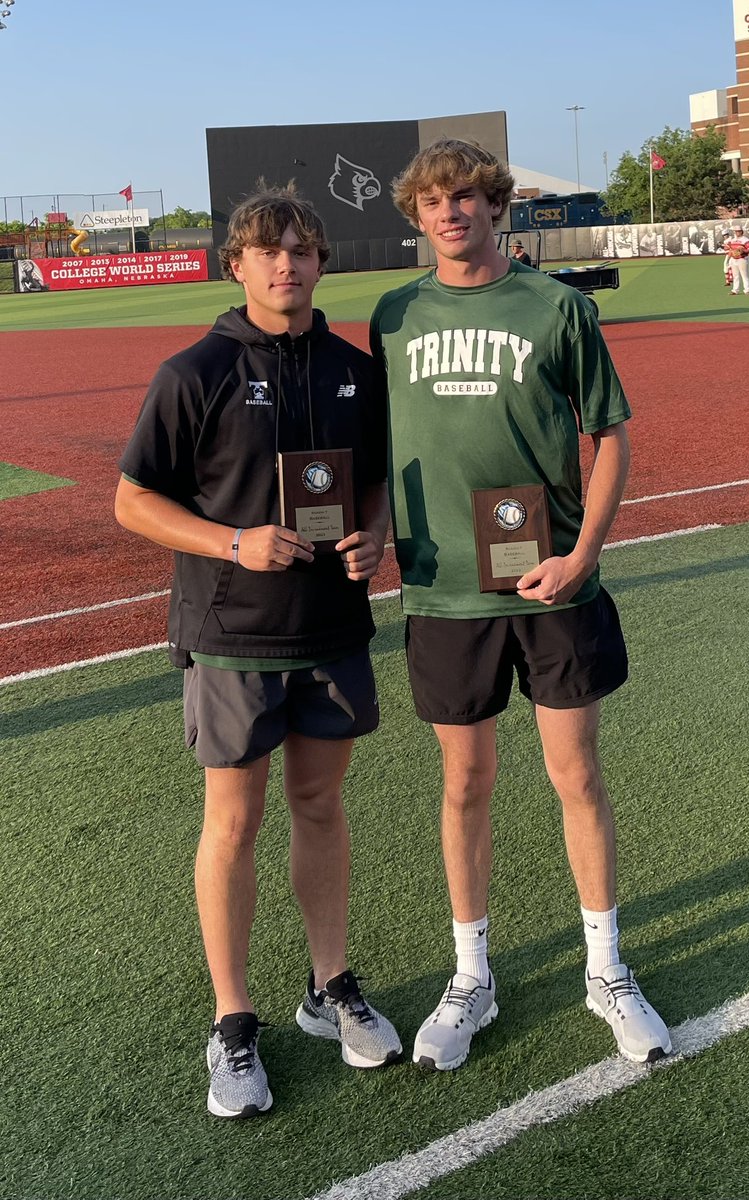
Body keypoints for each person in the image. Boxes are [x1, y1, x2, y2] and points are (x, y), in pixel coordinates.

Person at [370, 138, 671, 1072]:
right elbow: (380, 443)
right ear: (415, 216)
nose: (450, 211)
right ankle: (472, 976)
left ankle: (606, 969)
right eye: (432, 200)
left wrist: (584, 553)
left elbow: (610, 437)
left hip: (550, 582)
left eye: (467, 195)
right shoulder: (392, 315)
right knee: (463, 782)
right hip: (444, 588)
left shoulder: (559, 308)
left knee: (575, 776)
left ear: (497, 206)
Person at [115, 186, 401, 1120]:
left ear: (323, 264)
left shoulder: (354, 371)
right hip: (232, 634)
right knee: (231, 825)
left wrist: (374, 535)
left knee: (319, 804)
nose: (289, 265)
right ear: (236, 265)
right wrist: (232, 543)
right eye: (269, 251)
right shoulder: (192, 372)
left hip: (330, 629)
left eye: (304, 250)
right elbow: (133, 502)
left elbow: (376, 489)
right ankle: (232, 1023)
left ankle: (327, 989)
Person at [724, 224, 749, 295]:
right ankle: (735, 290)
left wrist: (743, 251)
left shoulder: (745, 240)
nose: (736, 233)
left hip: (742, 259)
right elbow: (730, 250)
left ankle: (747, 290)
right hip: (734, 259)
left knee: (744, 275)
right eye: (735, 231)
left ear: (741, 232)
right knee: (735, 276)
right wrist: (728, 260)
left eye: (738, 231)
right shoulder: (733, 240)